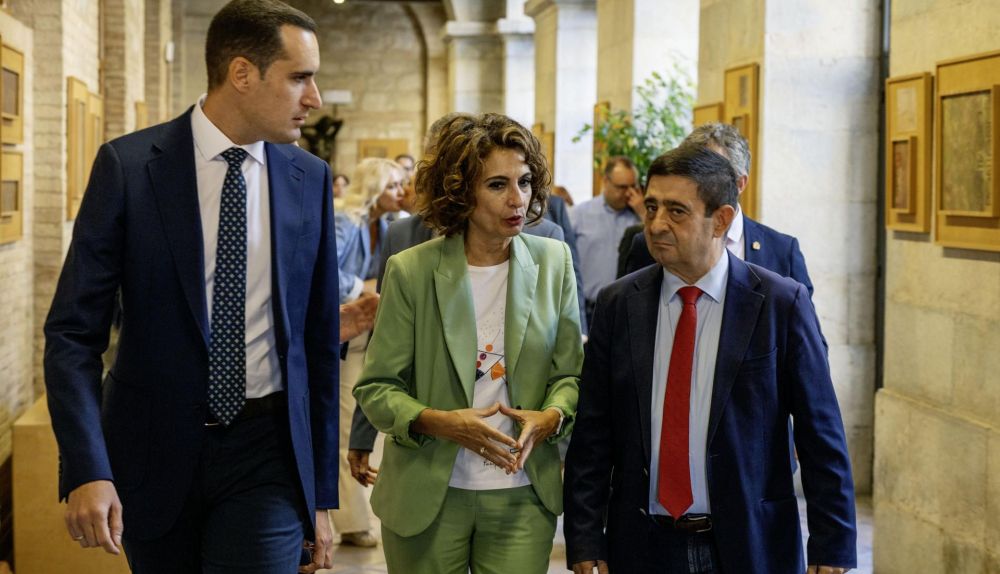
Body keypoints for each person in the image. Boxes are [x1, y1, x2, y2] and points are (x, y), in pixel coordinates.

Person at [42, 1, 339, 571]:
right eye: (299, 77)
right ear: (242, 73)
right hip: (151, 453)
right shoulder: (129, 168)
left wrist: (320, 494)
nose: (315, 98)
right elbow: (72, 335)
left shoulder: (309, 178)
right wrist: (87, 467)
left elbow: (318, 344)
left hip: (267, 455)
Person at [564, 145, 856, 574]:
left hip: (750, 543)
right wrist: (585, 536)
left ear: (721, 220)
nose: (656, 224)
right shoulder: (619, 303)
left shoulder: (779, 303)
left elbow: (821, 433)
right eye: (652, 207)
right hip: (643, 545)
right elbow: (593, 431)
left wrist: (832, 545)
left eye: (676, 211)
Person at [354, 113, 583, 573]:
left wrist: (553, 415)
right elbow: (376, 388)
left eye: (524, 181)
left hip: (522, 495)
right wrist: (440, 422)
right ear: (460, 192)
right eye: (497, 185)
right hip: (428, 494)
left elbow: (569, 375)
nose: (517, 199)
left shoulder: (553, 261)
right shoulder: (411, 270)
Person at [620, 123, 814, 296]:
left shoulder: (781, 252)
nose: (695, 181)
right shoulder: (647, 244)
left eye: (709, 172)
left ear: (739, 183)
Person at [330, 156, 405, 547]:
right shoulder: (346, 221)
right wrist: (363, 286)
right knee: (345, 424)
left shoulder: (388, 226)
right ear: (374, 188)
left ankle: (356, 517)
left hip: (367, 334)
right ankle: (352, 522)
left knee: (357, 417)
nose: (400, 192)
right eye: (393, 185)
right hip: (340, 331)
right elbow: (323, 269)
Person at [570, 156, 644, 323]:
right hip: (586, 311)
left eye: (633, 186)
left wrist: (643, 213)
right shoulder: (578, 215)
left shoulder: (640, 218)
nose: (629, 193)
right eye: (622, 187)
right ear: (605, 182)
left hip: (625, 312)